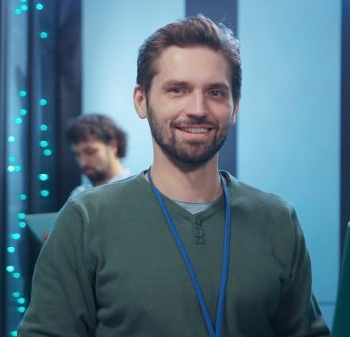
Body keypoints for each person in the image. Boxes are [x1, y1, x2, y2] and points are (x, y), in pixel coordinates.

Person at [18, 15, 330, 337]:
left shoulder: (278, 220)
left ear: (235, 106)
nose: (197, 108)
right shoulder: (85, 220)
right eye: (177, 90)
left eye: (216, 93)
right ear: (141, 100)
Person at [65, 113, 131, 196]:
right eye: (78, 154)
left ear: (113, 146)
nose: (83, 162)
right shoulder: (77, 195)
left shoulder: (136, 191)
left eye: (90, 152)